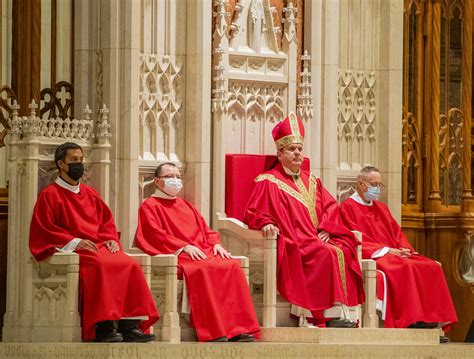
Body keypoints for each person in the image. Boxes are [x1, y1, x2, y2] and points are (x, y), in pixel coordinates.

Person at [244, 112, 365, 327]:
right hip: (295, 239)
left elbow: (330, 206)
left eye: (299, 149)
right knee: (326, 253)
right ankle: (324, 316)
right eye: (291, 149)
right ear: (279, 154)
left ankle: (345, 314)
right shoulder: (268, 181)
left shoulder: (313, 180)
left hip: (317, 236)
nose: (297, 153)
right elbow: (253, 211)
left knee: (343, 248)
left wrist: (328, 228)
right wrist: (266, 222)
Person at [29, 142, 158, 343]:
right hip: (72, 248)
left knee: (129, 263)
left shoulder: (90, 193)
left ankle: (130, 325)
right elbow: (44, 229)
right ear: (61, 164)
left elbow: (106, 221)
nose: (79, 164)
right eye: (73, 160)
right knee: (100, 265)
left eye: (81, 160)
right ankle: (103, 327)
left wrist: (111, 239)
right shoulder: (50, 195)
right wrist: (74, 242)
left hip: (97, 244)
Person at [134, 163, 260, 342]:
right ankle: (213, 331)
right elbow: (154, 234)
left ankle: (237, 329)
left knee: (231, 265)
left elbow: (206, 229)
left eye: (178, 177)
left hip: (201, 249)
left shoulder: (186, 205)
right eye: (169, 177)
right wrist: (183, 246)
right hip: (179, 253)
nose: (175, 180)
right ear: (156, 181)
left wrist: (215, 243)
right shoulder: (150, 205)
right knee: (203, 268)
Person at [340, 166, 458, 337]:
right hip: (376, 255)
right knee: (404, 267)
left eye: (380, 185)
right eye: (374, 184)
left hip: (393, 253)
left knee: (432, 266)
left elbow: (397, 233)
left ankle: (433, 320)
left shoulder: (381, 208)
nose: (377, 189)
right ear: (360, 184)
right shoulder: (347, 208)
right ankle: (411, 320)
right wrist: (387, 250)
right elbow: (353, 239)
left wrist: (404, 249)